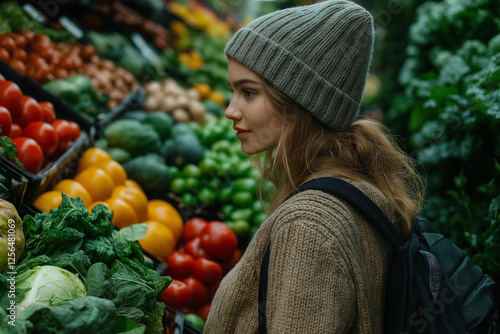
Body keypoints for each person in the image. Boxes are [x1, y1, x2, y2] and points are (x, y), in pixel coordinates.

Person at [204, 0, 425, 333]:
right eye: (232, 91)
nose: (230, 110)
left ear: (298, 103)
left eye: (248, 93)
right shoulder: (356, 185)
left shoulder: (308, 226)